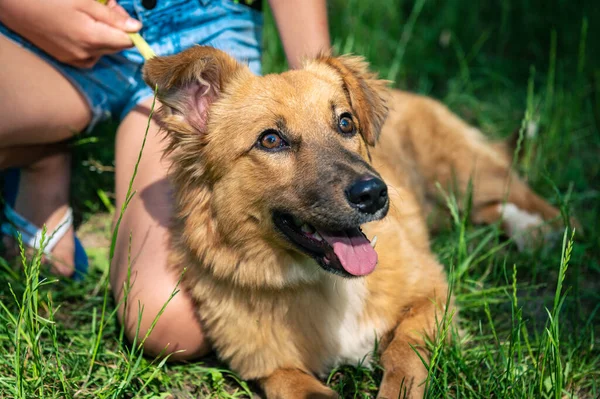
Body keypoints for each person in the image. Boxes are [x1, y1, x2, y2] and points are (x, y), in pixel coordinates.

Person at [0, 0, 330, 359]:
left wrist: (320, 97)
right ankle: (43, 146)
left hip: (205, 36)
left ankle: (41, 150)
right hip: (42, 26)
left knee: (168, 321)